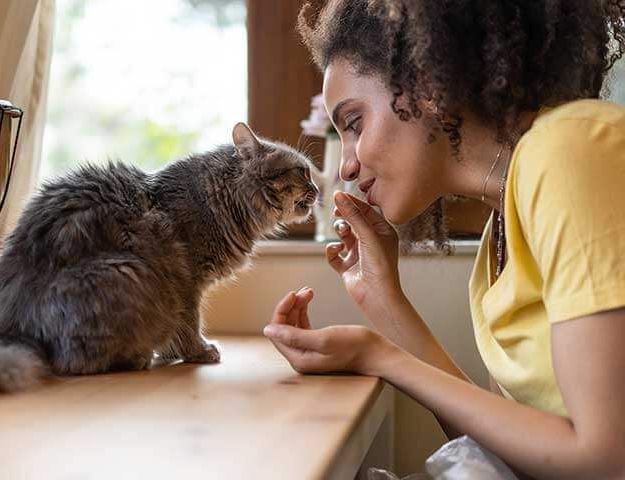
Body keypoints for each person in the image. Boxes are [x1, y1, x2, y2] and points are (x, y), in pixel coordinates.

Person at [262, 1, 625, 478]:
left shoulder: (572, 148)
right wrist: (382, 299)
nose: (346, 165)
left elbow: (604, 458)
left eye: (353, 124)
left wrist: (379, 356)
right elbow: (509, 451)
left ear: (427, 83)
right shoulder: (500, 243)